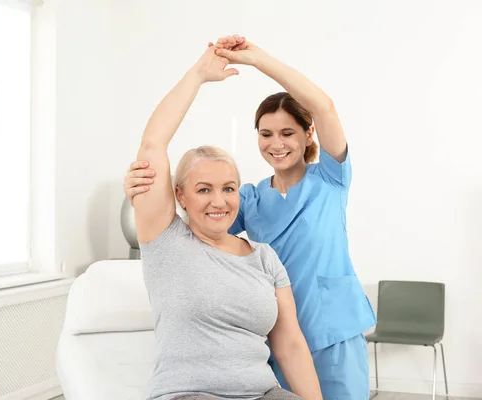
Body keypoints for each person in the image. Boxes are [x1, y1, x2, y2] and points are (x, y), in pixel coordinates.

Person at [124, 35, 377, 400]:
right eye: (266, 134)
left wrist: (259, 61)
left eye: (288, 133)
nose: (277, 143)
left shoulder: (330, 179)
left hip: (332, 331)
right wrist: (137, 187)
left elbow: (323, 106)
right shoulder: (247, 198)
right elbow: (201, 208)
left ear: (308, 135)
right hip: (272, 338)